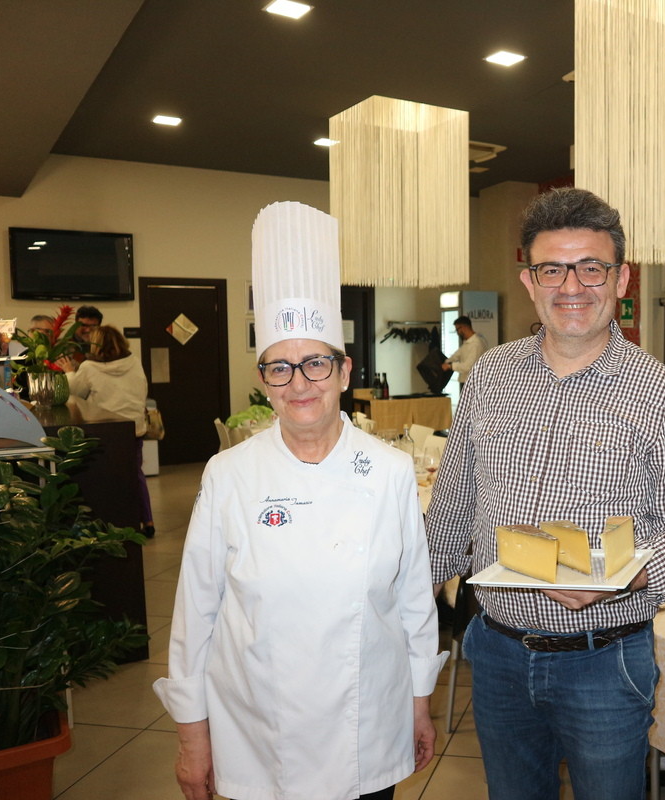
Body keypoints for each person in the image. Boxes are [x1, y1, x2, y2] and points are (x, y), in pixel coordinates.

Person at [153, 202, 445, 800]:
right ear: (264, 381)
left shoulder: (389, 471)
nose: (300, 383)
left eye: (315, 363)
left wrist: (419, 704)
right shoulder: (228, 474)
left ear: (344, 371)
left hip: (368, 724)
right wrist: (191, 738)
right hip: (258, 733)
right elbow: (195, 615)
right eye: (280, 368)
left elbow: (415, 603)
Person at [425, 187, 665, 800]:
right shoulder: (491, 375)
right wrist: (398, 595)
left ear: (621, 278)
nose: (571, 286)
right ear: (529, 280)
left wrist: (627, 577)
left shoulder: (663, 392)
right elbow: (452, 507)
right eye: (552, 269)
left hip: (604, 660)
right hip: (497, 651)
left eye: (591, 268)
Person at [56, 325, 154, 538]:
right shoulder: (134, 361)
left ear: (95, 344)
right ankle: (147, 520)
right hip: (133, 429)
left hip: (105, 430)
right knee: (135, 475)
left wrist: (69, 372)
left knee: (108, 477)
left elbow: (75, 392)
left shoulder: (89, 367)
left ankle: (115, 522)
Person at [441, 315, 488, 386]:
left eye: (457, 329)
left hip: (474, 383)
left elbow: (468, 366)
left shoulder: (476, 344)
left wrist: (450, 366)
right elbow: (456, 355)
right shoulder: (468, 342)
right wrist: (446, 362)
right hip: (466, 381)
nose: (457, 333)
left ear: (464, 327)